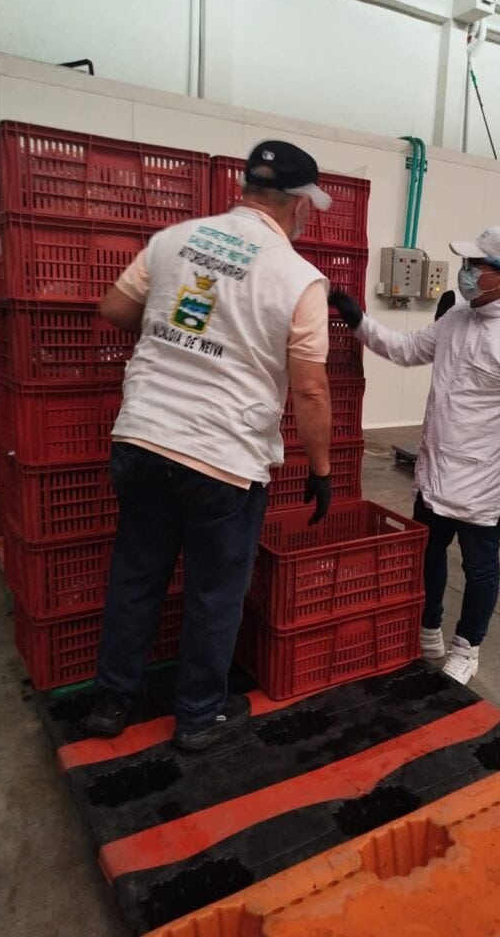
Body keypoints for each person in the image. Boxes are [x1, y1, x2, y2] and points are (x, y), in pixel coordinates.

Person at [84, 140, 334, 751]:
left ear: (246, 189)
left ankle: (112, 700)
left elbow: (115, 307)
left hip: (142, 435)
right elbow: (309, 390)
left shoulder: (176, 238)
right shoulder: (299, 277)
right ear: (298, 205)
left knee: (138, 571)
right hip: (221, 456)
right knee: (214, 589)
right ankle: (197, 716)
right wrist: (321, 470)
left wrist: (180, 338)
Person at [331, 226, 500, 685]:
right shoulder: (457, 317)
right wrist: (359, 322)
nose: (468, 273)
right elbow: (407, 349)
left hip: (485, 483)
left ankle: (467, 646)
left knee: (479, 568)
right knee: (428, 555)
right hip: (435, 471)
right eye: (468, 264)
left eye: (479, 266)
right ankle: (429, 626)